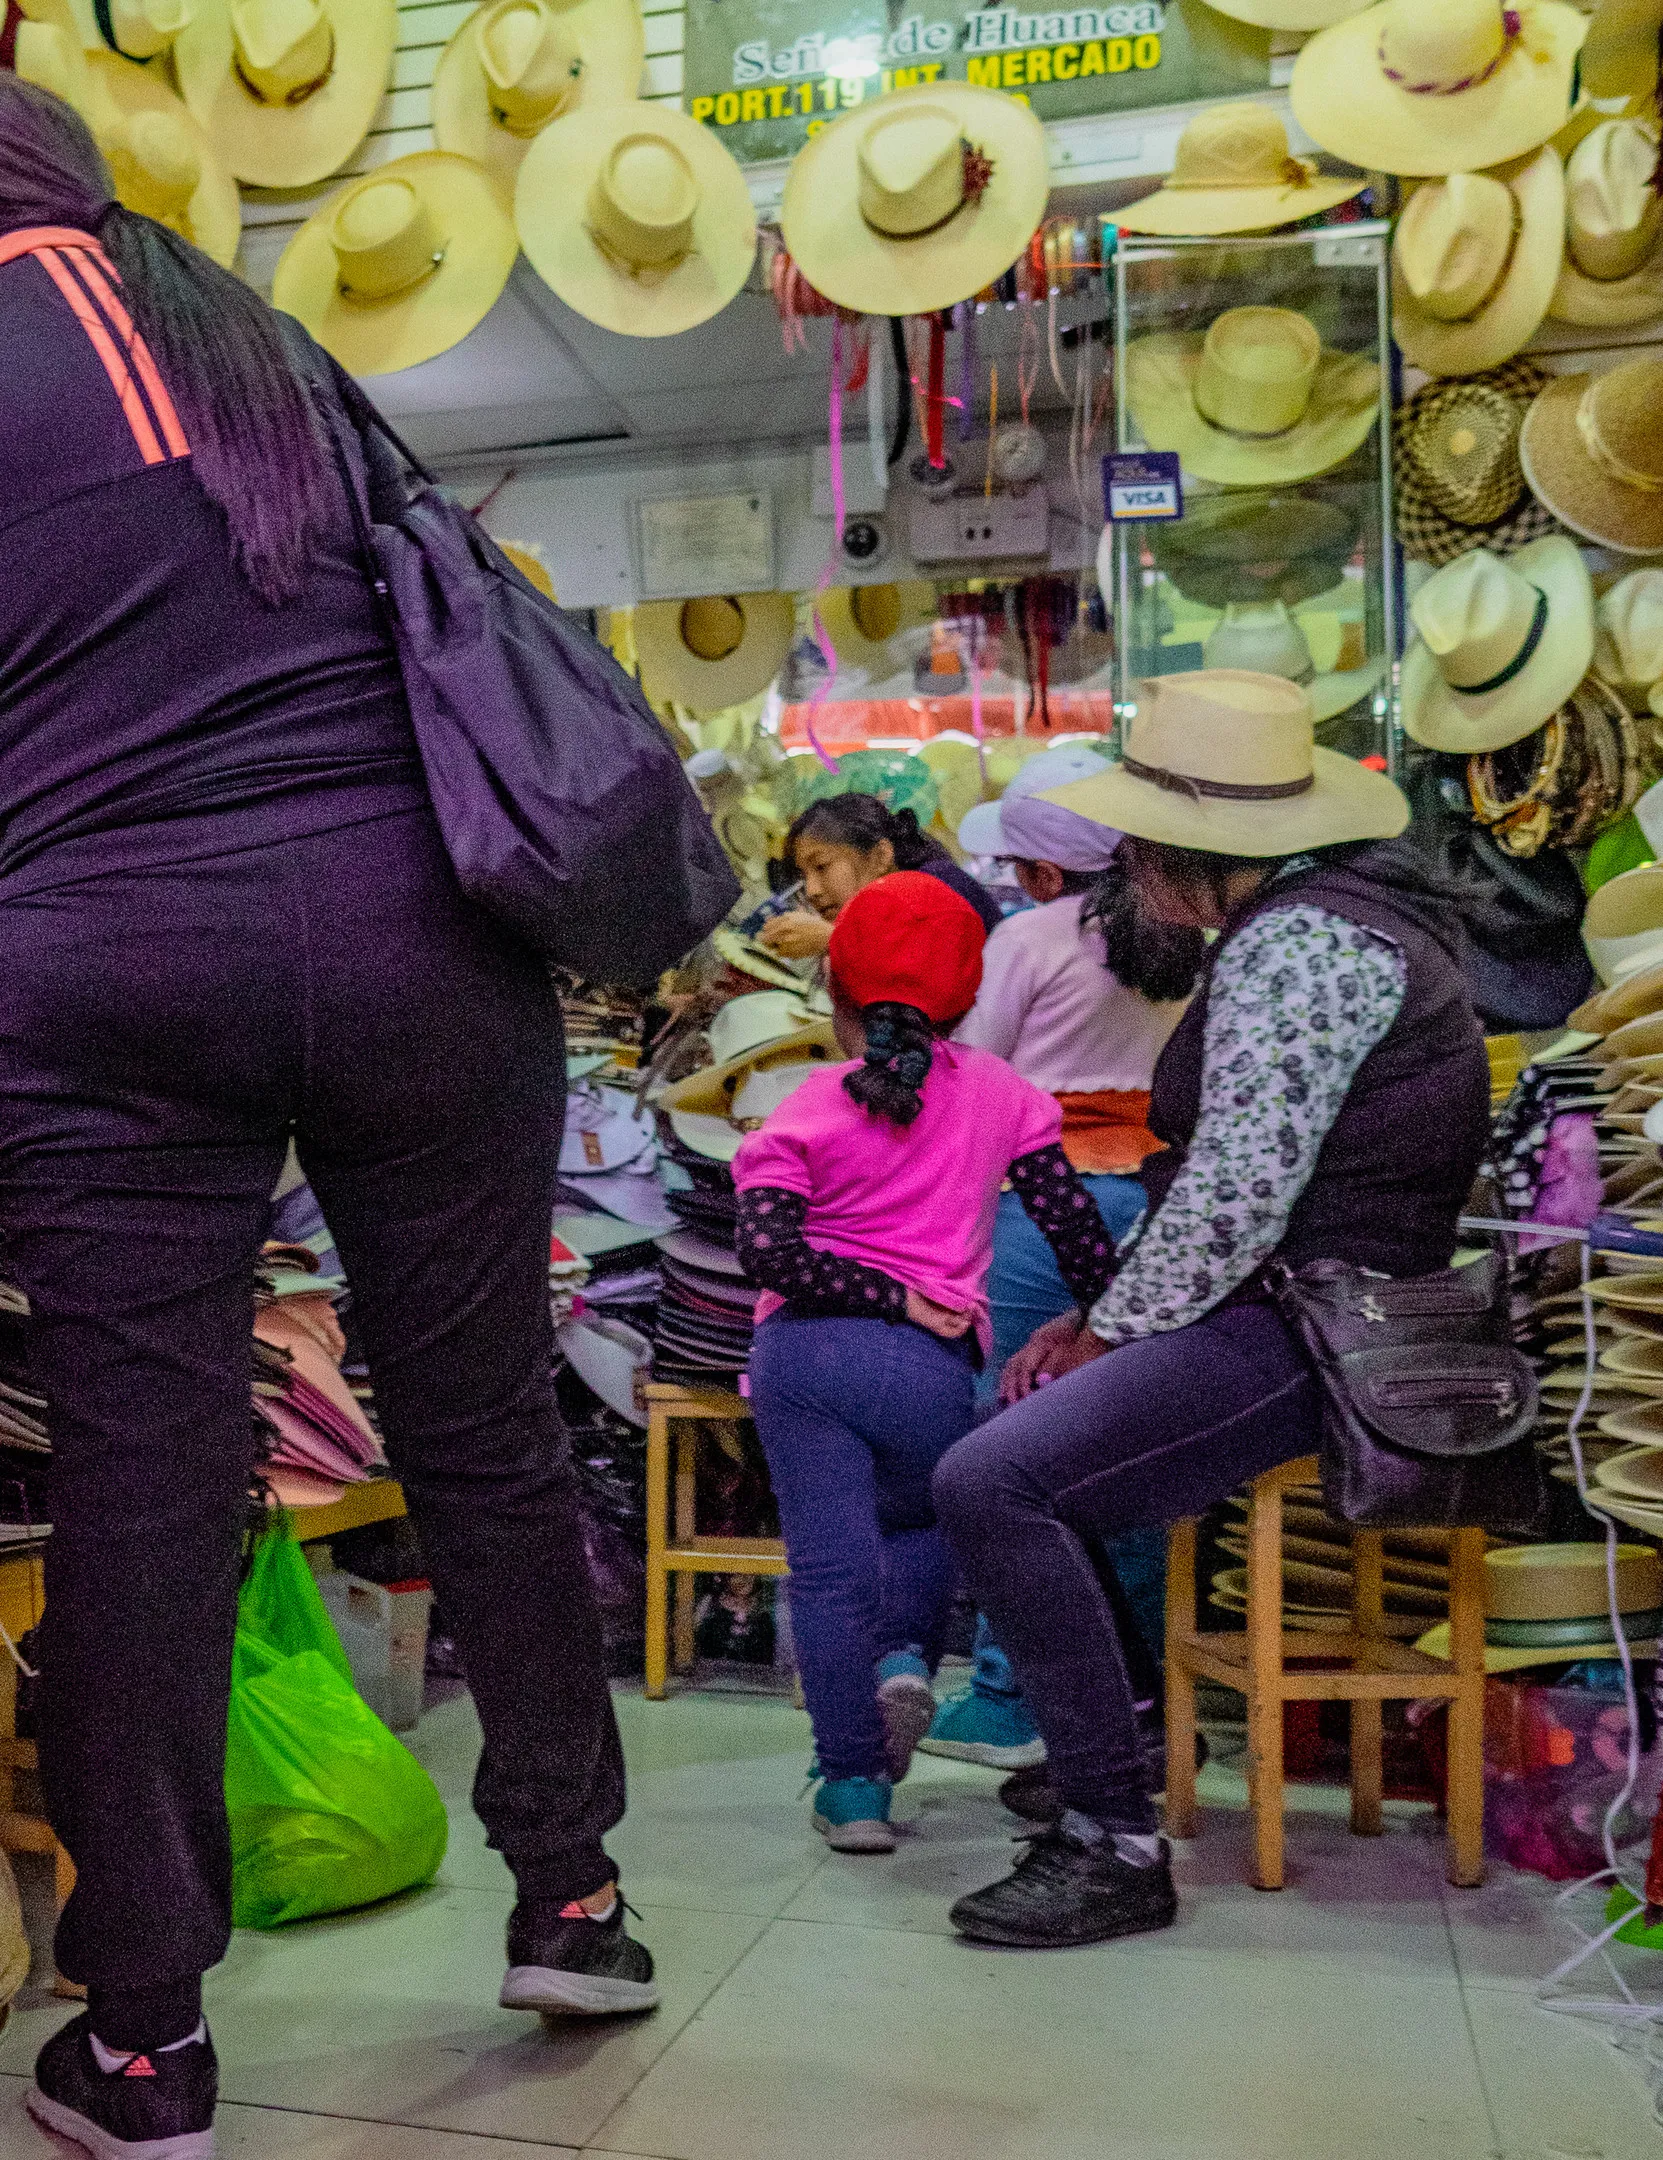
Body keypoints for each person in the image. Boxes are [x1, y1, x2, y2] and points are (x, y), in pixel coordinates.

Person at [0, 79, 652, 2160]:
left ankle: (149, 2039)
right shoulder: (247, 334)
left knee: (144, 1477)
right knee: (479, 1425)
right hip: (417, 937)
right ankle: (572, 1894)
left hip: (98, 957)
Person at [933, 669, 1491, 1949]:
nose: (1124, 869)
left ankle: (1111, 1836)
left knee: (990, 1480)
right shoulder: (1346, 921)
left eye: (1136, 845)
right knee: (1033, 1467)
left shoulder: (1298, 946)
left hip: (1313, 1331)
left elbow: (1240, 1189)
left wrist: (1103, 1330)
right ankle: (1112, 1742)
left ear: (1190, 849)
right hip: (1328, 1313)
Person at [731, 873, 1117, 1853]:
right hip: (935, 1367)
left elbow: (769, 1254)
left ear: (835, 993)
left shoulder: (804, 1107)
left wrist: (874, 1289)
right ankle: (904, 1658)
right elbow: (1080, 1238)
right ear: (967, 999)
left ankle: (854, 1788)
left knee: (825, 1574)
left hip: (805, 1360)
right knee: (917, 1527)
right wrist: (1081, 1321)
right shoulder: (1008, 1098)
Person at [920, 745, 1196, 1774]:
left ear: (1037, 873)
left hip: (1043, 1209)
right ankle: (1136, 1690)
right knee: (1130, 1451)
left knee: (1010, 1449)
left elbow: (971, 1084)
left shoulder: (1027, 941)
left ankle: (1009, 1696)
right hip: (1161, 1212)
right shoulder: (1188, 941)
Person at [755, 791, 1000, 962]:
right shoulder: (871, 918)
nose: (812, 890)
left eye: (821, 866)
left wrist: (832, 940)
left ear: (880, 856)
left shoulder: (939, 883)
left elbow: (934, 969)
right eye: (803, 875)